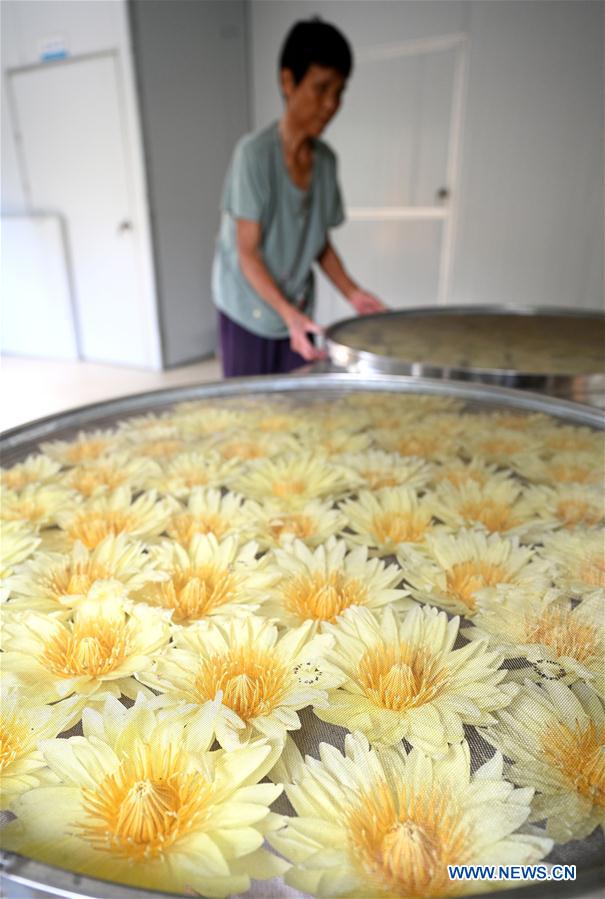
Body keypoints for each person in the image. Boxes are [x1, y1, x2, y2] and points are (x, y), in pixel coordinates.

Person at [212, 18, 386, 377]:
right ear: (288, 81)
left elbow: (318, 243)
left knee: (298, 406)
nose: (330, 105)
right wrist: (286, 313)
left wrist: (353, 293)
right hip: (249, 308)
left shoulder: (326, 161)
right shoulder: (254, 156)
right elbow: (248, 253)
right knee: (250, 414)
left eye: (339, 92)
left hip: (296, 309)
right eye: (321, 89)